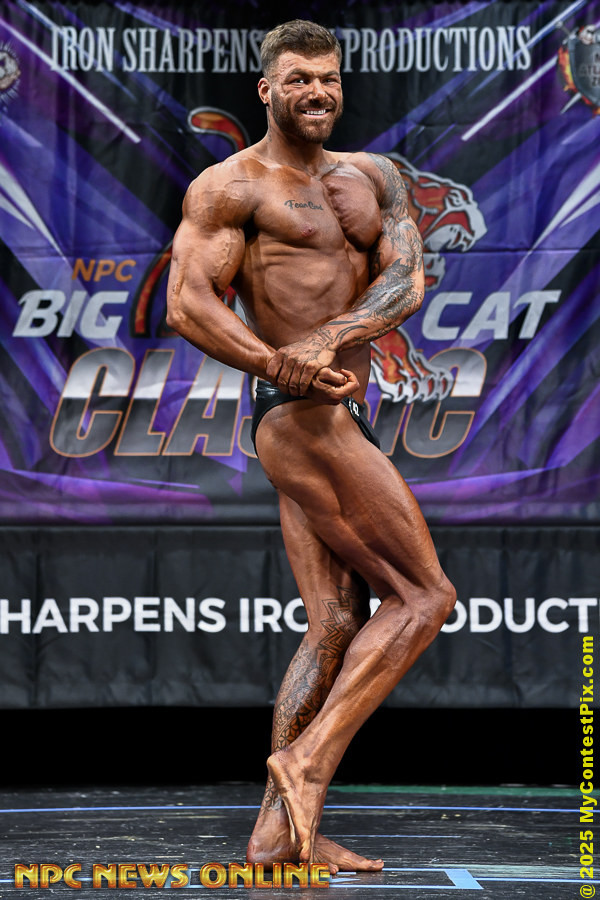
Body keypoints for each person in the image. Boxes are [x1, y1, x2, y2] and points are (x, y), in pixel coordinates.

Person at [166, 19, 456, 875]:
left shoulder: (374, 177)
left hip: (336, 408)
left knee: (333, 623)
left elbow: (407, 277)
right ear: (267, 90)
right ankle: (309, 760)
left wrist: (329, 337)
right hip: (298, 415)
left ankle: (277, 837)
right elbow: (188, 303)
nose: (317, 92)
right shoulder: (232, 187)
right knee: (425, 597)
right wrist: (277, 363)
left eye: (327, 78)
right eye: (298, 79)